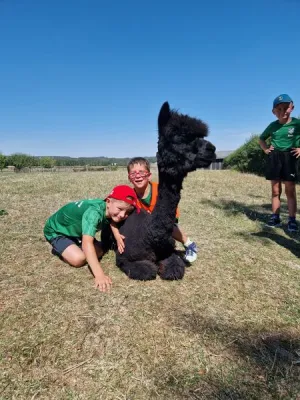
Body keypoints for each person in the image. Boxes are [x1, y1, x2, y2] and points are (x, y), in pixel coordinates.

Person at [44, 185, 139, 292]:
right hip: (57, 231)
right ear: (108, 201)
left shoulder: (108, 209)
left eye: (127, 213)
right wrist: (99, 275)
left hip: (77, 232)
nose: (122, 215)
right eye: (120, 209)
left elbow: (111, 220)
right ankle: (60, 250)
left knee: (100, 251)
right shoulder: (94, 213)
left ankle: (75, 244)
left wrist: (117, 235)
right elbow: (87, 243)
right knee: (78, 259)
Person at [111, 157, 198, 262]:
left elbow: (171, 214)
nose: (138, 176)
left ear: (149, 175)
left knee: (166, 225)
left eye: (142, 172)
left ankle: (189, 244)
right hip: (145, 226)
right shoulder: (130, 196)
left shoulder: (161, 190)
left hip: (164, 222)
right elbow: (113, 216)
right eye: (133, 173)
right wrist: (116, 235)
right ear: (129, 178)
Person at [259, 94, 300, 232]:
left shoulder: (297, 124)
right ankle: (275, 217)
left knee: (290, 189)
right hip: (275, 157)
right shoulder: (272, 126)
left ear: (292, 108)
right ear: (273, 112)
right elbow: (261, 139)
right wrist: (265, 149)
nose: (283, 111)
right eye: (279, 109)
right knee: (275, 190)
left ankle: (292, 220)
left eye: (285, 108)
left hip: (290, 156)